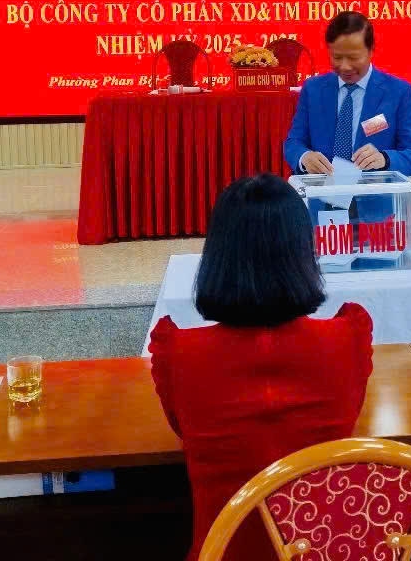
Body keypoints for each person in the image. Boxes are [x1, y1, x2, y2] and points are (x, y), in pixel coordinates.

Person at [149, 174, 373, 561]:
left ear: (217, 255)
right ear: (303, 253)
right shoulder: (346, 339)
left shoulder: (180, 352)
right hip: (322, 551)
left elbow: (181, 428)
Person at [283, 11, 411, 176]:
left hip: (375, 191)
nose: (345, 67)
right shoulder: (313, 89)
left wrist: (384, 159)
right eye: (337, 57)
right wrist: (304, 157)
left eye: (353, 58)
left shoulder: (398, 92)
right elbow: (293, 143)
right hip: (321, 189)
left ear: (371, 50)